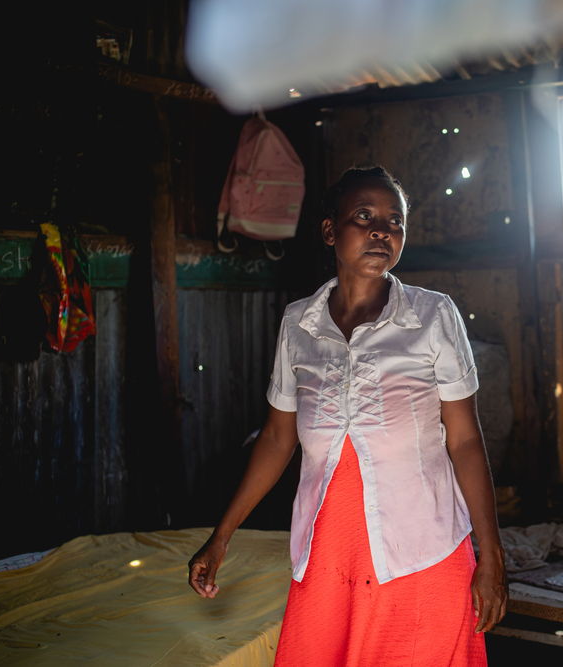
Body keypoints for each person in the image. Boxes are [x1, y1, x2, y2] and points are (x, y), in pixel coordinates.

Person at [188, 165, 507, 666]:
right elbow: (276, 439)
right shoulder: (299, 323)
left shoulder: (433, 316)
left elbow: (465, 441)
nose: (383, 230)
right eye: (365, 216)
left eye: (395, 221)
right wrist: (220, 537)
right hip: (329, 555)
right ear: (330, 231)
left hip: (423, 550)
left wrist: (491, 555)